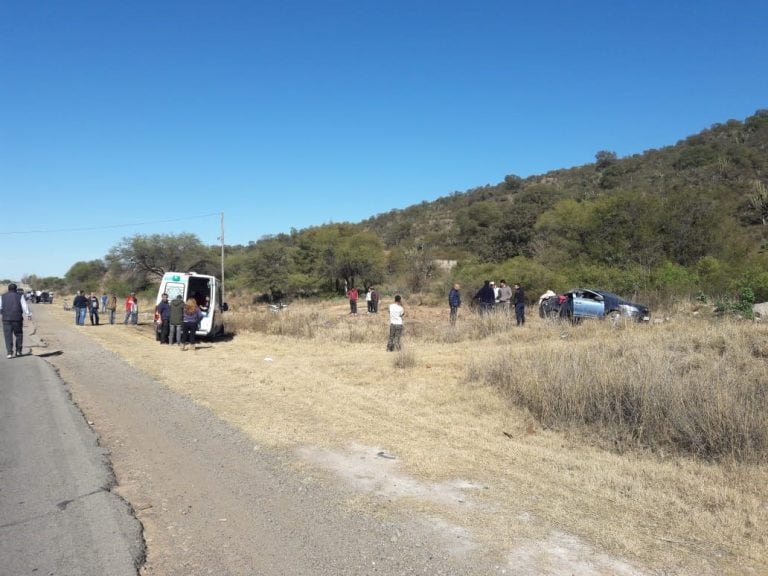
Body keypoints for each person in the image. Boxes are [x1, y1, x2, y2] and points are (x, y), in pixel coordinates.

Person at [1, 283, 31, 358]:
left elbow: (0, 307)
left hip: (6, 319)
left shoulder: (2, 297)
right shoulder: (20, 296)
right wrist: (28, 314)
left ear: (8, 289)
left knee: (8, 336)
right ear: (16, 289)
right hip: (17, 319)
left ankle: (9, 353)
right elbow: (25, 306)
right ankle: (18, 351)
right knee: (19, 334)